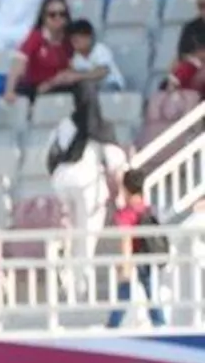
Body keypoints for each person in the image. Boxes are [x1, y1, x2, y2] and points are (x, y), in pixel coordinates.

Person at [47, 80, 128, 299]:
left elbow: (52, 153)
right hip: (87, 184)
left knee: (68, 232)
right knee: (87, 235)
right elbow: (116, 163)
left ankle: (64, 272)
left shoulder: (64, 124)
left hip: (61, 180)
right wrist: (120, 193)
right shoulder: (101, 126)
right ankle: (80, 287)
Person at [107, 168, 167, 329]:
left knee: (125, 294)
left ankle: (112, 326)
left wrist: (125, 267)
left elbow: (126, 240)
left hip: (136, 259)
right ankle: (159, 324)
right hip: (149, 257)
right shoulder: (149, 209)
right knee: (151, 294)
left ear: (125, 189)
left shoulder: (126, 213)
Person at [4, 0, 75, 102]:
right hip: (33, 89)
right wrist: (9, 90)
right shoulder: (36, 36)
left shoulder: (70, 39)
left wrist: (52, 83)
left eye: (62, 14)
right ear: (44, 17)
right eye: (52, 15)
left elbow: (72, 69)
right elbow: (19, 61)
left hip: (58, 87)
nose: (58, 18)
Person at [67, 19, 124, 92]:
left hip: (111, 85)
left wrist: (78, 76)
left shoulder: (100, 49)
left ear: (89, 37)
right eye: (72, 39)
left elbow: (102, 72)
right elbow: (73, 73)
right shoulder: (76, 56)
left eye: (78, 39)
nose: (74, 42)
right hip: (92, 88)